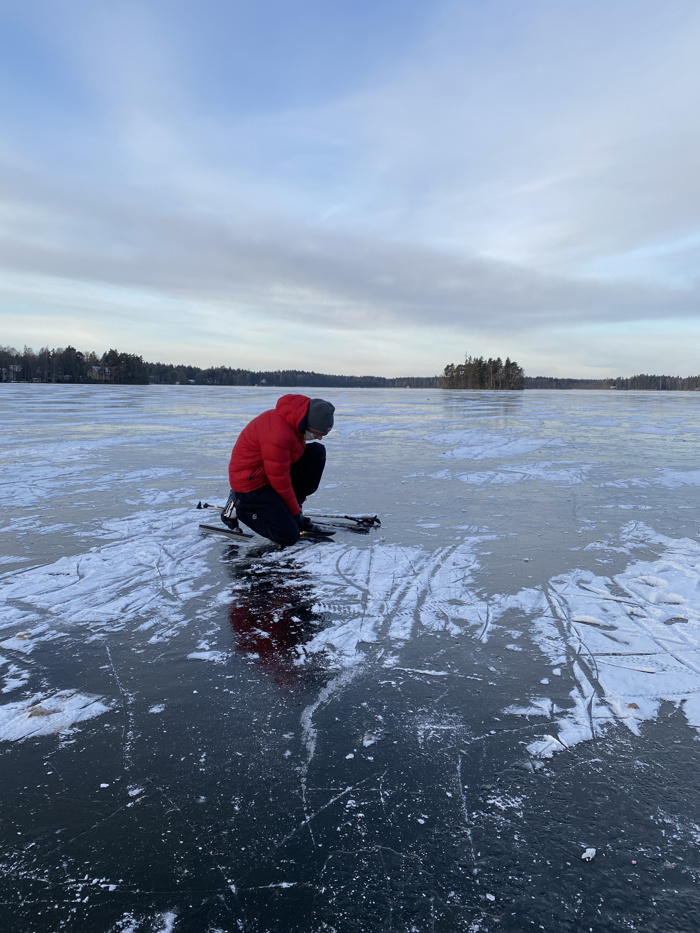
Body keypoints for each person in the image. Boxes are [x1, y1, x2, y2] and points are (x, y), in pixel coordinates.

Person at [223, 394, 335, 546]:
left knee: (316, 452)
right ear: (308, 425)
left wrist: (295, 508)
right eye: (317, 434)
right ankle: (238, 505)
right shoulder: (278, 434)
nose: (319, 438)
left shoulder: (297, 421)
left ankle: (292, 507)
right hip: (251, 484)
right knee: (289, 536)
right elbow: (279, 480)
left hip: (269, 474)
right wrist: (295, 516)